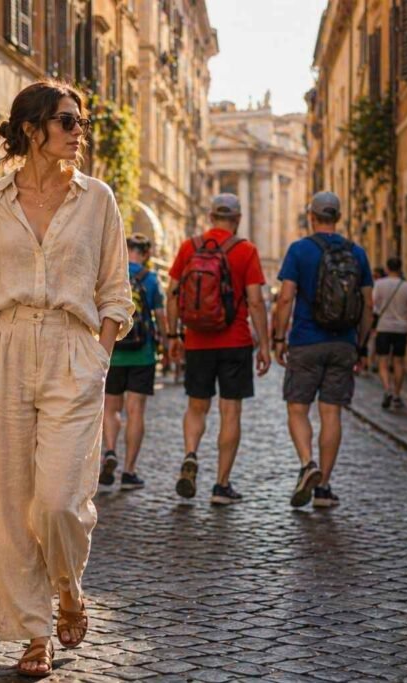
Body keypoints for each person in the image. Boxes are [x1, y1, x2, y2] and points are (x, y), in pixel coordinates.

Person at [0, 80, 133, 676]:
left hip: (74, 351)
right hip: (1, 350)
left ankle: (69, 589)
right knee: (6, 502)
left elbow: (116, 291)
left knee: (56, 501)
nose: (80, 131)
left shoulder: (98, 198)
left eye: (79, 122)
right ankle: (34, 632)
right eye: (68, 121)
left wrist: (100, 350)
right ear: (33, 130)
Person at [272, 191, 373, 509]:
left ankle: (307, 463)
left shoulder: (299, 250)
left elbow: (286, 297)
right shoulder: (357, 253)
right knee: (332, 414)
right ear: (338, 218)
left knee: (297, 408)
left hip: (305, 340)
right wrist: (361, 343)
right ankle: (324, 488)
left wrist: (278, 338)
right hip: (343, 343)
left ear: (311, 217)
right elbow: (368, 304)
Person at [166, 194, 270, 505]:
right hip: (235, 341)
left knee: (196, 407)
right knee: (230, 411)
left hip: (197, 340)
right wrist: (264, 344)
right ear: (237, 218)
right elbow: (254, 300)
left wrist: (173, 335)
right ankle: (221, 486)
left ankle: (190, 454)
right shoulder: (246, 250)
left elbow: (172, 294)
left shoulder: (190, 246)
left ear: (211, 216)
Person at [99, 233, 167, 491]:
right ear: (146, 253)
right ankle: (129, 471)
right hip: (143, 352)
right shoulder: (149, 280)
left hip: (112, 350)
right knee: (136, 410)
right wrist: (169, 341)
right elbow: (160, 316)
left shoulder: (111, 277)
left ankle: (110, 450)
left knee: (110, 408)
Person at [373, 257, 407, 409]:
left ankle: (387, 389)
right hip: (401, 328)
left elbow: (374, 304)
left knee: (383, 361)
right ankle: (397, 394)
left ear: (387, 268)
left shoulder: (379, 284)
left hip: (384, 327)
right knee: (399, 362)